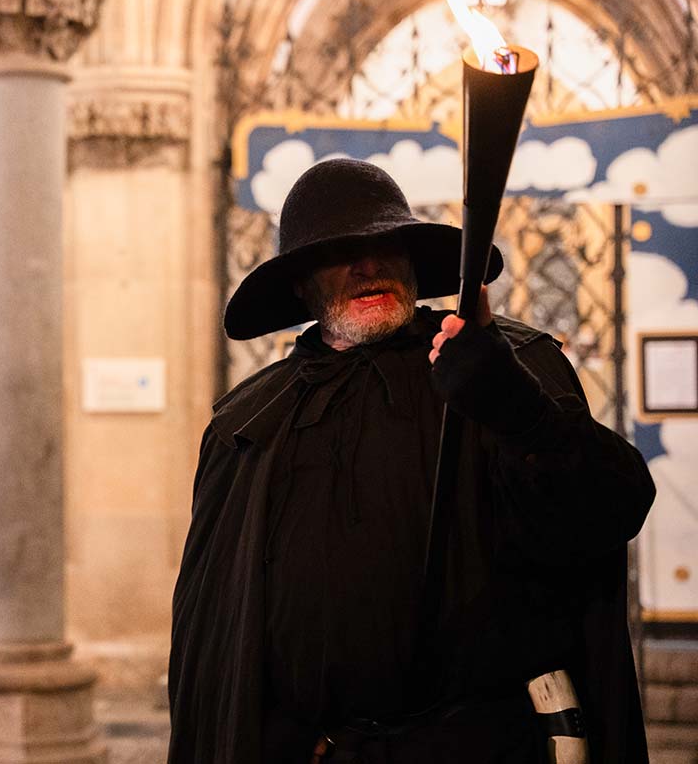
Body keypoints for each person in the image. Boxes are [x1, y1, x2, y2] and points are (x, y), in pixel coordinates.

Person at [167, 159, 654, 764]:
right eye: (340, 253)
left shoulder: (500, 364)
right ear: (301, 283)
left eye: (385, 245)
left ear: (412, 262)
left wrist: (516, 407)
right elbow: (214, 631)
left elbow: (613, 509)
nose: (368, 265)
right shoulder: (249, 424)